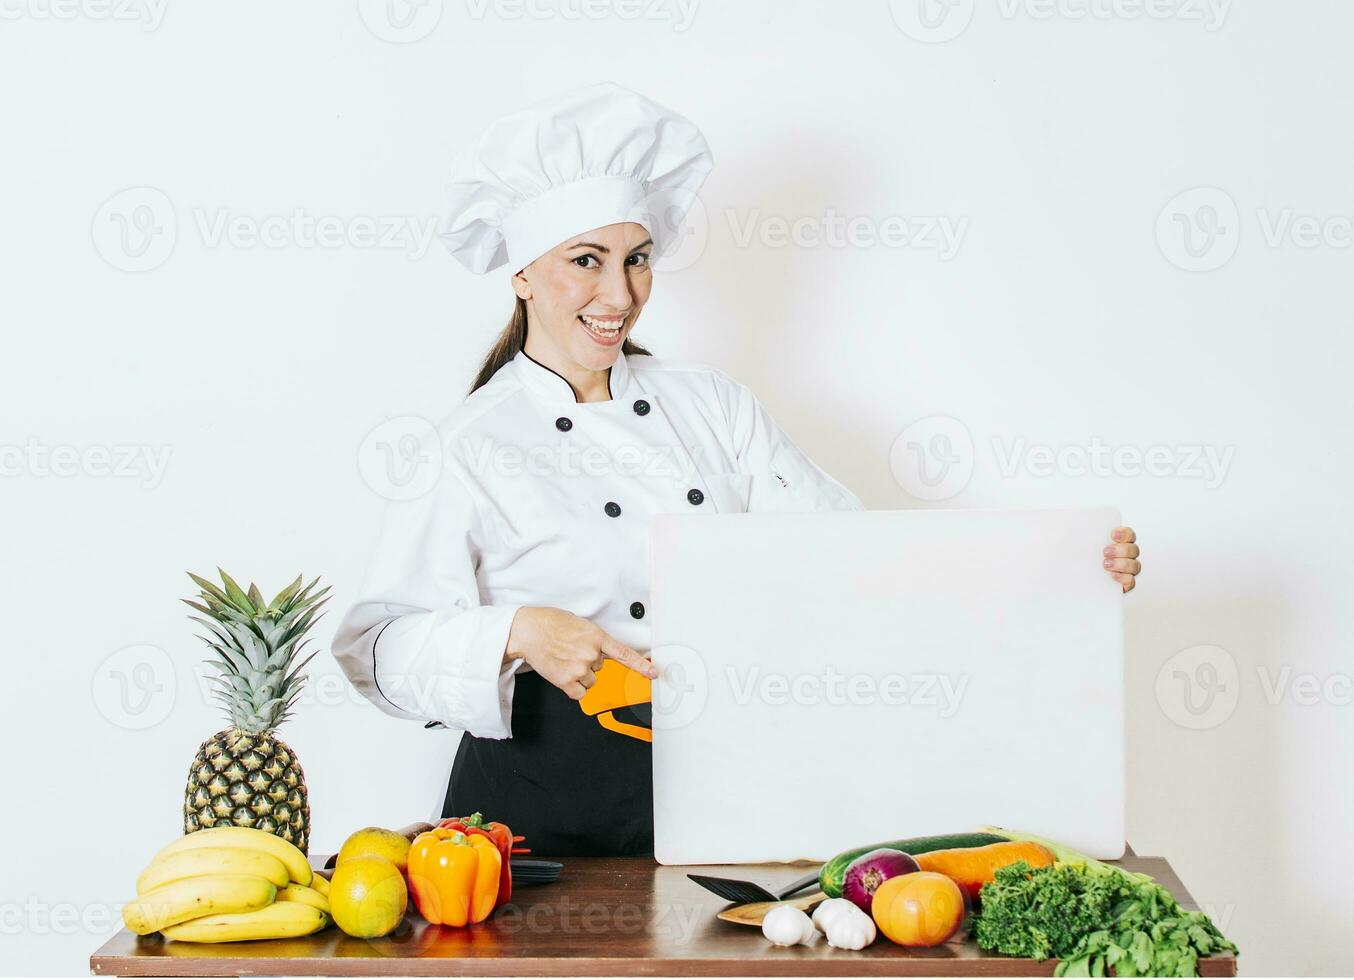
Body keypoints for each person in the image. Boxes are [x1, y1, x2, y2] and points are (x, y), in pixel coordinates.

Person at [331, 83, 1142, 856]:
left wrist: (1059, 566)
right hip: (536, 804)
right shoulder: (470, 442)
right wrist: (518, 631)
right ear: (520, 273)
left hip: (724, 774)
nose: (619, 292)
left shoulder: (712, 406)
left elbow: (856, 559)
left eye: (638, 258)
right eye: (586, 259)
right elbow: (379, 651)